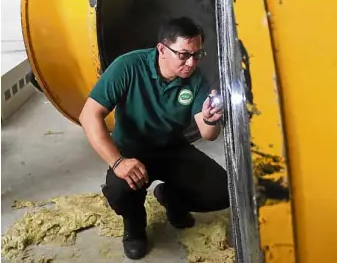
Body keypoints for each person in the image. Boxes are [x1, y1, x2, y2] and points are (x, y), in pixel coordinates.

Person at [79, 17, 229, 260]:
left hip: (172, 147)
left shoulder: (196, 78)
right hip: (131, 149)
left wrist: (212, 118)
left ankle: (171, 198)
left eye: (197, 54)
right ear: (162, 49)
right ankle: (134, 227)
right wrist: (118, 162)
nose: (191, 63)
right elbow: (89, 115)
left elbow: (207, 134)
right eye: (183, 54)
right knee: (119, 191)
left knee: (222, 191)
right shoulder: (128, 66)